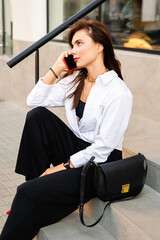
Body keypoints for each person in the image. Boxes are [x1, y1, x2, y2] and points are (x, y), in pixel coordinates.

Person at [0, 19, 133, 240]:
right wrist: (58, 67)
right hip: (77, 147)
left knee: (26, 193)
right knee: (38, 117)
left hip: (100, 164)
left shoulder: (118, 92)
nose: (74, 51)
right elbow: (34, 101)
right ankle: (35, 186)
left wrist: (61, 167)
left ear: (99, 46)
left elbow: (102, 149)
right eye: (72, 45)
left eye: (80, 43)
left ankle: (32, 193)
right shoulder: (75, 80)